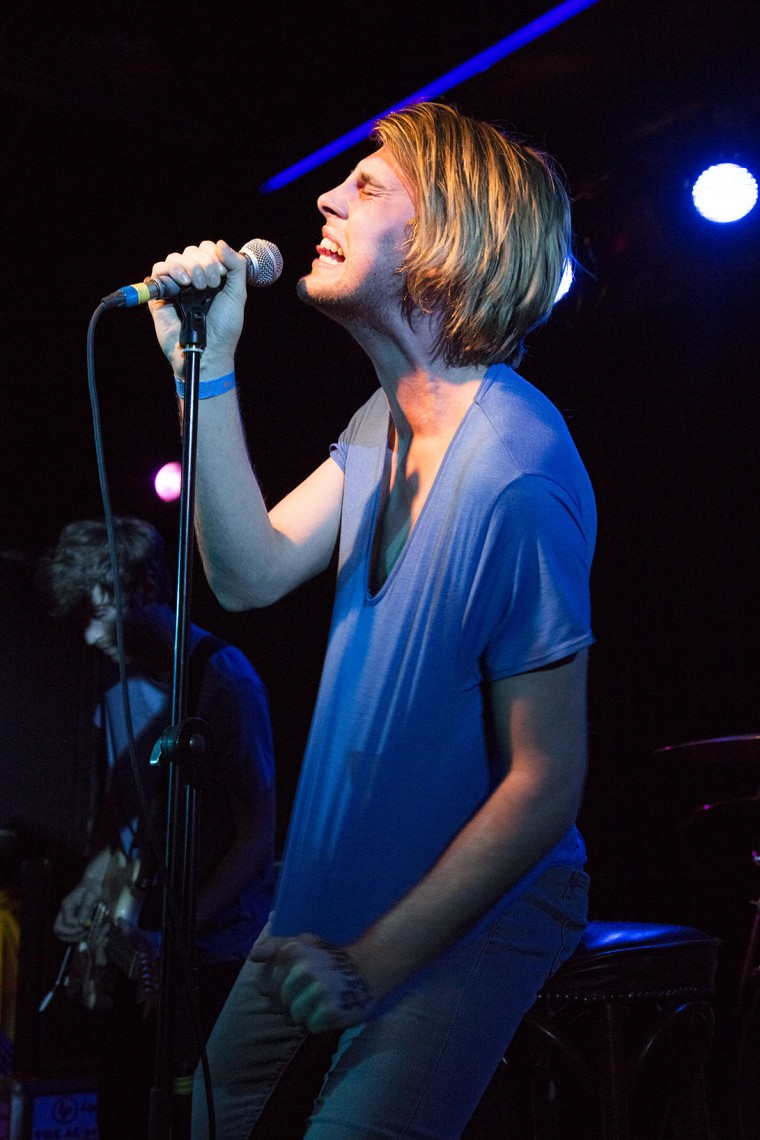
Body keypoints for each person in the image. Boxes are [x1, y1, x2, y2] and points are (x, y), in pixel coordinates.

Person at [147, 99, 596, 1139]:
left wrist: (370, 965)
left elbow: (546, 781)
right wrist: (203, 368)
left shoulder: (515, 473)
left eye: (366, 185)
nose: (325, 197)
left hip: (470, 914)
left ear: (449, 236)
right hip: (333, 899)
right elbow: (249, 573)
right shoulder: (381, 422)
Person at [37, 517, 277, 1140]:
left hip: (211, 958)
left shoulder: (224, 682)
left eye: (97, 615)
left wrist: (178, 929)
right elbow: (118, 819)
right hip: (137, 951)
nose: (88, 635)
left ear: (142, 587)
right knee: (122, 1115)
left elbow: (257, 834)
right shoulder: (113, 683)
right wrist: (89, 884)